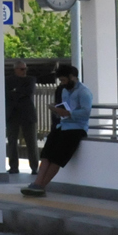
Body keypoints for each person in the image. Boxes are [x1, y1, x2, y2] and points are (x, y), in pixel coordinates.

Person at [22, 65, 91, 198]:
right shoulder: (65, 91)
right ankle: (36, 183)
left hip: (76, 129)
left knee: (57, 159)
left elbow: (86, 112)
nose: (63, 83)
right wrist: (58, 110)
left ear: (72, 77)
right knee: (46, 155)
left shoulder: (84, 92)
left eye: (64, 80)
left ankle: (41, 186)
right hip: (62, 126)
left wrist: (68, 113)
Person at [5, 61, 39, 174]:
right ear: (15, 69)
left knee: (31, 142)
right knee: (12, 142)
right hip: (12, 114)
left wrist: (15, 90)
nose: (24, 71)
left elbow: (29, 92)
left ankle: (34, 167)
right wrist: (18, 92)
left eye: (25, 69)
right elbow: (6, 93)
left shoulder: (30, 79)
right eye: (21, 69)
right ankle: (13, 167)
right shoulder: (8, 80)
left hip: (28, 115)